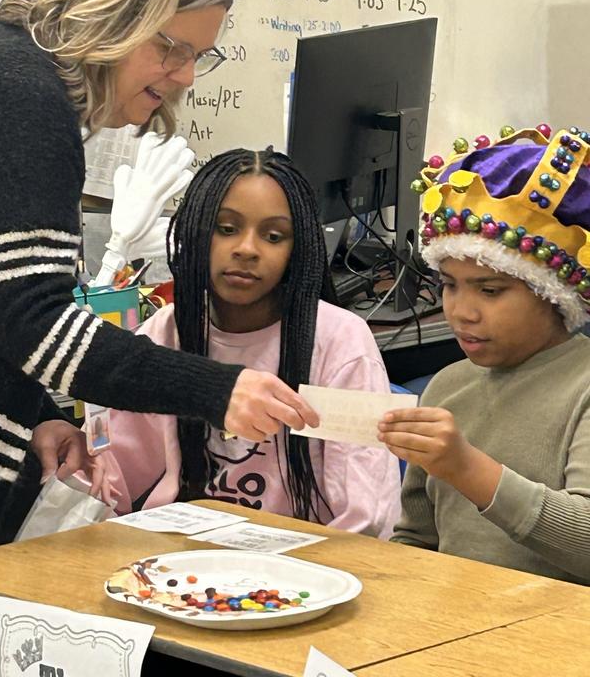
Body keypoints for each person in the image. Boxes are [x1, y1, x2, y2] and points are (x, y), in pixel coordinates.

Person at [0, 0, 316, 546]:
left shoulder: (12, 72)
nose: (184, 77)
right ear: (111, 13)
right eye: (170, 48)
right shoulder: (23, 96)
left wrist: (39, 416)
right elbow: (31, 317)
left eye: (200, 56)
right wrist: (217, 389)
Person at [101, 148, 402, 536]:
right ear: (196, 231)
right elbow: (116, 482)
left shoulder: (342, 343)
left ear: (298, 249)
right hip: (184, 566)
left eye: (273, 236)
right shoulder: (165, 332)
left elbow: (368, 514)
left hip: (308, 572)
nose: (246, 249)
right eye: (226, 229)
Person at [377, 123, 590, 583]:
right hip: (451, 626)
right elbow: (417, 539)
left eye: (490, 290)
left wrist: (467, 467)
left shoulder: (582, 387)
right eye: (449, 285)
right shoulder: (449, 385)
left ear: (553, 294)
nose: (461, 312)